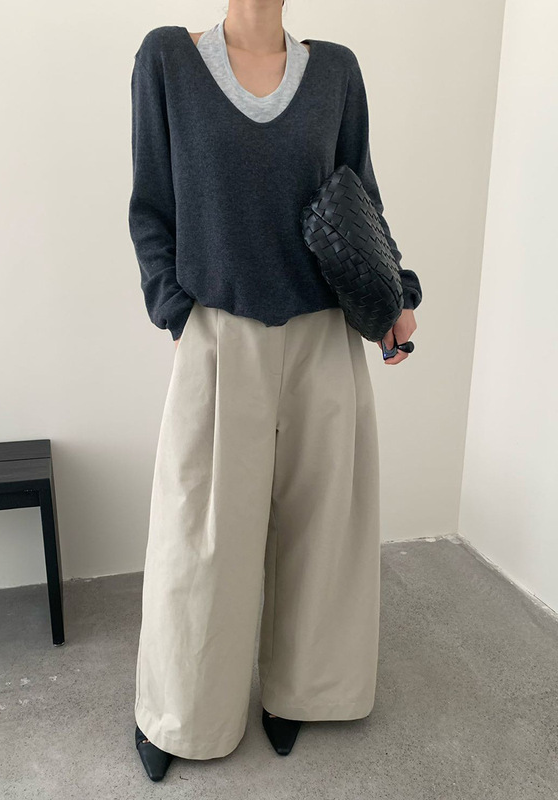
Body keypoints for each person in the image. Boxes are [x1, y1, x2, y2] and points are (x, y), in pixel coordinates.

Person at [128, 0, 422, 783]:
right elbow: (151, 205)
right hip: (219, 333)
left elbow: (362, 201)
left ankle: (303, 689)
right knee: (200, 538)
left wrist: (396, 296)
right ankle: (181, 710)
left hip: (323, 335)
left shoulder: (336, 72)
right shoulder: (168, 60)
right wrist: (177, 311)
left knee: (324, 530)